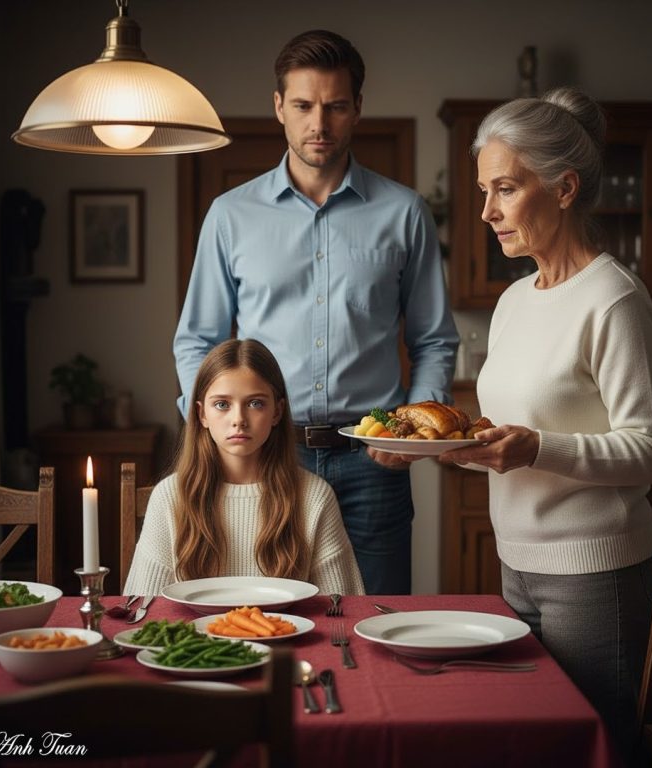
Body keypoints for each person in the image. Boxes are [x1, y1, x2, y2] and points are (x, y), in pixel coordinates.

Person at [173, 29, 458, 594]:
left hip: (373, 464)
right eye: (303, 105)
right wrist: (216, 424)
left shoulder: (404, 213)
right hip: (269, 458)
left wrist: (411, 434)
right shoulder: (230, 216)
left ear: (357, 110)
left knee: (378, 624)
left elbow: (433, 340)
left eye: (335, 106)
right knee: (268, 620)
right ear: (279, 107)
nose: (318, 124)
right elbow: (198, 340)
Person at [437, 88, 652, 759]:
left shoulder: (615, 299)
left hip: (595, 573)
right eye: (484, 191)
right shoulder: (514, 300)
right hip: (515, 564)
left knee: (598, 748)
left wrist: (539, 447)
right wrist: (462, 447)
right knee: (536, 747)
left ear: (564, 188)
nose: (486, 212)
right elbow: (515, 428)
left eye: (505, 189)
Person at [124, 338, 364, 597]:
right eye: (222, 404)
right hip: (195, 637)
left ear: (277, 412)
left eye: (255, 403)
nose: (238, 419)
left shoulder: (314, 496)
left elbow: (340, 610)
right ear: (201, 413)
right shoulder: (170, 496)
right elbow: (142, 610)